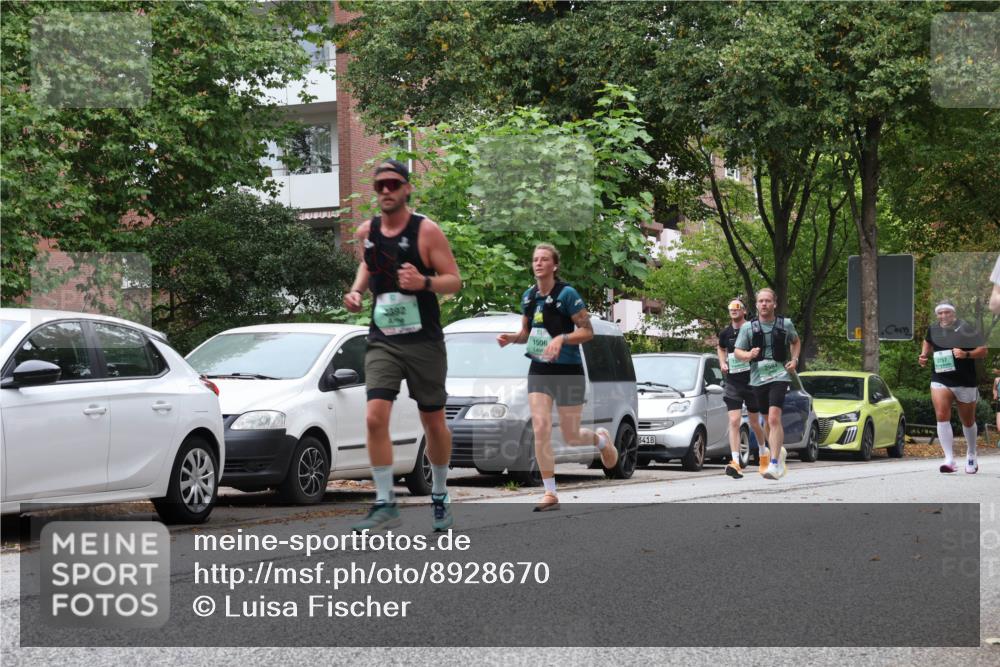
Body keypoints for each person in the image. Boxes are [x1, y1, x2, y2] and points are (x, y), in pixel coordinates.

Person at [345, 160, 462, 532]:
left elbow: (454, 281)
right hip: (383, 339)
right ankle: (384, 502)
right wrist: (357, 290)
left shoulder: (427, 232)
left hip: (424, 341)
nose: (385, 190)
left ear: (407, 188)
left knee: (434, 422)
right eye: (380, 185)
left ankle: (440, 494)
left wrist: (424, 283)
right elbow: (367, 262)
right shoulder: (368, 230)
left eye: (393, 183)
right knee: (373, 416)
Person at [497, 243, 618, 511]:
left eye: (544, 259)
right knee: (540, 427)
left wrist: (562, 338)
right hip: (539, 369)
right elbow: (528, 333)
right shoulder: (528, 297)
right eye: (535, 260)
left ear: (554, 265)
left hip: (568, 371)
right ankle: (550, 493)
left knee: (570, 435)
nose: (538, 263)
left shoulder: (567, 294)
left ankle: (601, 440)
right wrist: (512, 339)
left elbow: (587, 332)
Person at [734, 288, 801, 480]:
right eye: (761, 301)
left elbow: (795, 341)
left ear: (774, 304)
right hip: (758, 379)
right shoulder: (748, 327)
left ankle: (774, 464)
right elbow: (738, 351)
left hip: (779, 376)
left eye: (768, 301)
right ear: (756, 305)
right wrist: (749, 355)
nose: (764, 304)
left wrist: (794, 359)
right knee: (765, 422)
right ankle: (778, 451)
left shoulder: (785, 324)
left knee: (773, 419)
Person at [919, 302, 988, 474]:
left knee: (968, 421)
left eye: (947, 312)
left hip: (965, 380)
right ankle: (949, 459)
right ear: (937, 316)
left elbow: (983, 350)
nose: (943, 316)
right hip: (940, 378)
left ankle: (971, 453)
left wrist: (966, 354)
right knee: (942, 415)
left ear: (953, 314)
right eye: (940, 313)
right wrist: (924, 355)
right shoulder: (933, 329)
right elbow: (927, 342)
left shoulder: (966, 328)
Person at [717, 298, 766, 479]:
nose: (734, 310)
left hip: (752, 382)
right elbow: (721, 348)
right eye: (731, 307)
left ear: (744, 311)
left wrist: (752, 355)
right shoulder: (725, 333)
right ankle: (736, 462)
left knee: (754, 422)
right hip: (733, 383)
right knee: (735, 421)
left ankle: (763, 452)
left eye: (737, 307)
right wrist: (722, 362)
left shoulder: (753, 330)